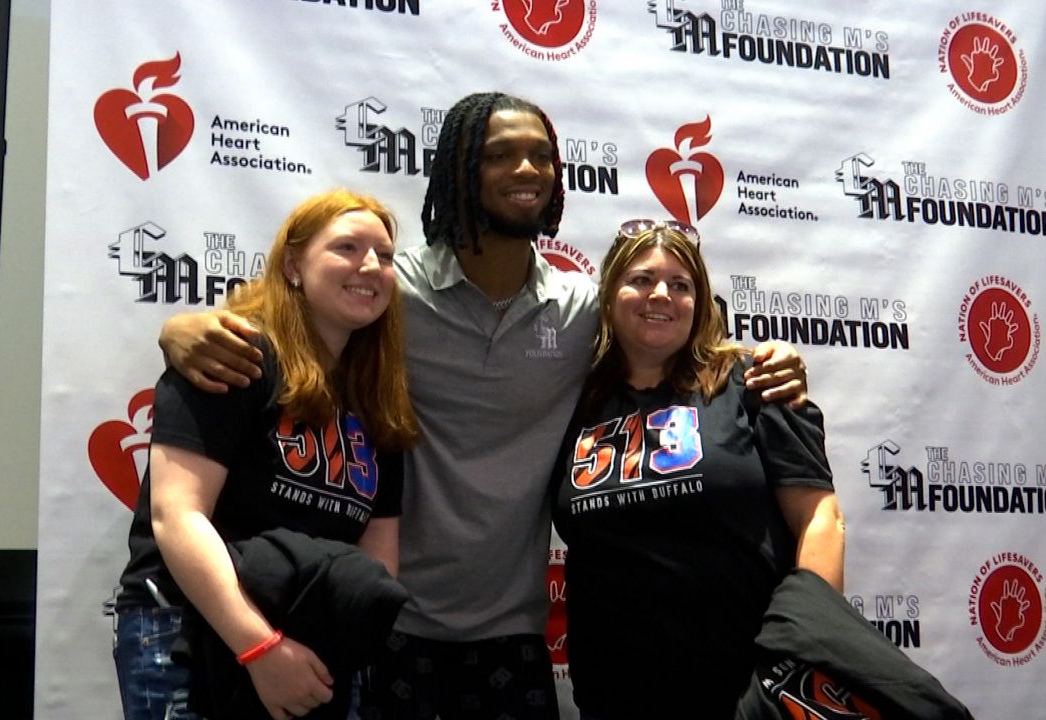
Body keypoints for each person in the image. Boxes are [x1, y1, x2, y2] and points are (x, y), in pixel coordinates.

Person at [157, 92, 810, 718]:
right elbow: (284, 307)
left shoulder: (584, 309)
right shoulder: (389, 288)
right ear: (460, 170)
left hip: (512, 630)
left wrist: (765, 359)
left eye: (541, 156)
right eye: (501, 154)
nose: (526, 169)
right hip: (390, 622)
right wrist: (180, 330)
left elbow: (668, 330)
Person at [113, 189, 419, 720]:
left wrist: (332, 641)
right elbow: (177, 516)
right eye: (347, 247)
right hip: (192, 629)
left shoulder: (375, 398)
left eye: (385, 256)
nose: (370, 265)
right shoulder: (233, 356)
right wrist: (259, 645)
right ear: (294, 265)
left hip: (312, 647)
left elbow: (379, 555)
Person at [551, 220, 844, 719]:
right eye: (641, 279)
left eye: (680, 285)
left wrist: (802, 656)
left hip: (745, 691)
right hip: (613, 694)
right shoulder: (569, 400)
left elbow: (820, 518)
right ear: (609, 294)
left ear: (700, 302)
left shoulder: (753, 382)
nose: (660, 294)